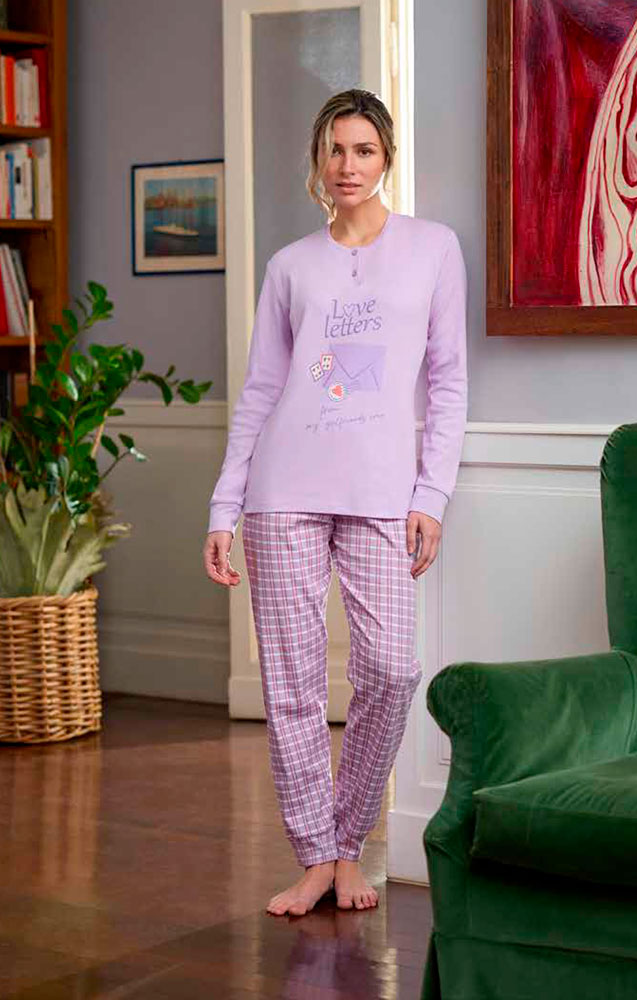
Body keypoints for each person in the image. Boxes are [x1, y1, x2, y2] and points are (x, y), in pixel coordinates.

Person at [203, 88, 468, 917]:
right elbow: (264, 387)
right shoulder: (291, 266)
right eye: (334, 150)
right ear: (316, 159)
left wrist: (431, 493)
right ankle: (318, 857)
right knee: (291, 684)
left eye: (363, 150)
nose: (347, 166)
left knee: (390, 668)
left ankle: (347, 839)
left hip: (383, 494)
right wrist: (224, 506)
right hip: (283, 490)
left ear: (385, 156)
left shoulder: (431, 249)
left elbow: (448, 379)